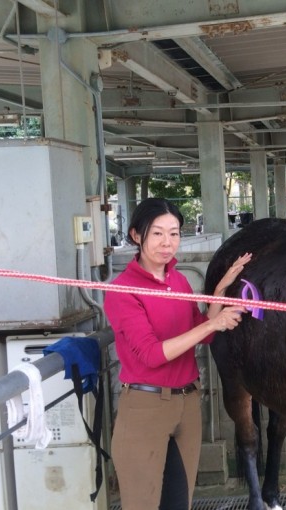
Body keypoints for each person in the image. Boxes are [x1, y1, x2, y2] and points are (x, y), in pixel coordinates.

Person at [104, 197, 251, 510]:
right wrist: (219, 319)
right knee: (143, 504)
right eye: (157, 233)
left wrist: (220, 291)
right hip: (146, 407)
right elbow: (152, 354)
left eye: (174, 233)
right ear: (135, 235)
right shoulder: (123, 289)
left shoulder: (178, 280)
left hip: (187, 403)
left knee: (178, 503)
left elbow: (205, 331)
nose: (167, 243)